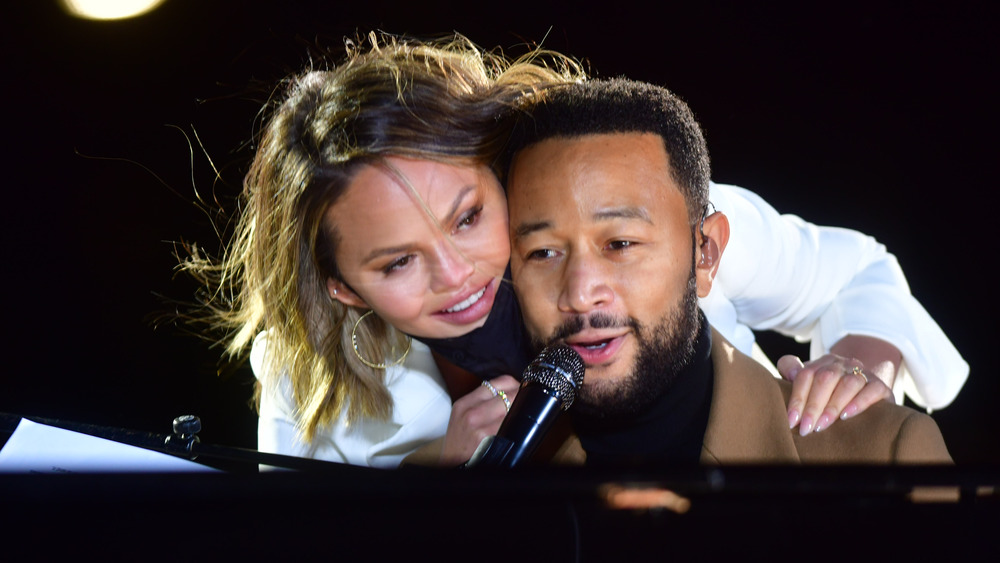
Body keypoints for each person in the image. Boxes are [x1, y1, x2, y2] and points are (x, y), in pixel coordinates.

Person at [184, 34, 964, 468]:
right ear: (344, 288)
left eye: (467, 218)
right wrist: (436, 480)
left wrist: (859, 366)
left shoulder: (648, 216)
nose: (457, 276)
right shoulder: (302, 374)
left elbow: (858, 271)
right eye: (396, 262)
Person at [502, 77, 951, 464]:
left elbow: (860, 270)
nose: (580, 294)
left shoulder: (890, 453)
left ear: (707, 253)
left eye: (620, 245)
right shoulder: (476, 456)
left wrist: (853, 393)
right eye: (542, 253)